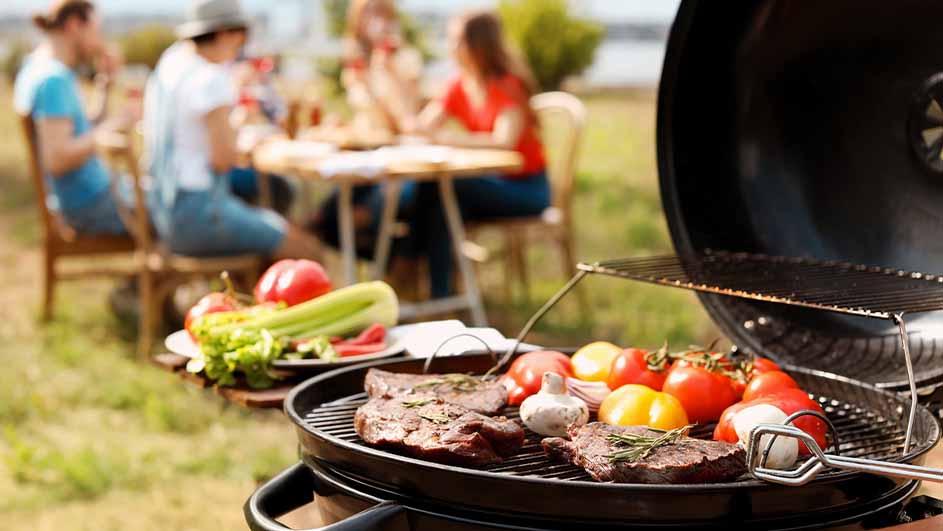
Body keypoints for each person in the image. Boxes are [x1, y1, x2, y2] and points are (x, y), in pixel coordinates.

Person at [142, 0, 320, 258]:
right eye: (242, 35)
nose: (242, 45)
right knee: (306, 249)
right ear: (225, 32)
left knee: (268, 210)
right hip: (198, 217)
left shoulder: (170, 64)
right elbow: (223, 160)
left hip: (163, 212)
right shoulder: (211, 78)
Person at [401, 10, 550, 298]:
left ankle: (419, 278)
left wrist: (452, 140)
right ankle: (439, 293)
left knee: (441, 191)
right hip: (490, 185)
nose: (451, 48)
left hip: (525, 189)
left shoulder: (508, 85)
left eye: (457, 40)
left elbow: (503, 142)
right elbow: (421, 127)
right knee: (437, 198)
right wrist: (404, 86)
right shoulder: (459, 84)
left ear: (478, 44)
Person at [14, 0, 140, 236]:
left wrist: (104, 86)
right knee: (177, 213)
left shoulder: (39, 67)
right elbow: (58, 158)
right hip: (90, 205)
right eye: (96, 29)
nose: (99, 40)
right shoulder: (54, 80)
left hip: (89, 198)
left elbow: (76, 132)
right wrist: (116, 125)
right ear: (74, 25)